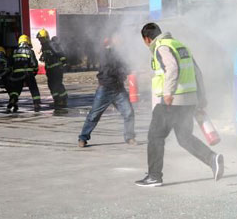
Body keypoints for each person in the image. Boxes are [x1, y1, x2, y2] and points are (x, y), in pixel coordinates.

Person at [135, 23, 223, 187]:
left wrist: (168, 92)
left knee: (155, 137)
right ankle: (212, 159)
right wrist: (201, 96)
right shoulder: (180, 45)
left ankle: (154, 176)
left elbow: (172, 68)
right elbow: (197, 72)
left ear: (147, 39)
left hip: (171, 101)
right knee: (184, 137)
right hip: (188, 101)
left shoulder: (161, 47)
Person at [78, 35, 136, 147]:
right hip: (105, 88)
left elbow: (125, 66)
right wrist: (126, 71)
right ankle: (83, 138)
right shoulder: (107, 53)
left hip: (119, 89)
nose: (120, 40)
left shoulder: (122, 53)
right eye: (117, 38)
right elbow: (110, 69)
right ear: (113, 40)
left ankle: (130, 137)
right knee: (94, 115)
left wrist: (130, 69)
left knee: (128, 113)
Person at [7, 35, 41, 113]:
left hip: (17, 74)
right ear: (27, 41)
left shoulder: (15, 51)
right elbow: (34, 63)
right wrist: (35, 71)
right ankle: (36, 104)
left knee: (16, 89)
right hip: (28, 73)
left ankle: (13, 99)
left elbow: (10, 63)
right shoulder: (29, 51)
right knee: (33, 88)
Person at [36, 29, 68, 113]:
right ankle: (57, 99)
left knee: (57, 84)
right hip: (49, 69)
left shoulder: (52, 44)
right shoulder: (44, 46)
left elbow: (60, 53)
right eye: (39, 39)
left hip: (56, 68)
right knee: (51, 85)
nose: (40, 40)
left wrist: (63, 63)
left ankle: (63, 99)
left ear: (46, 37)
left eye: (41, 38)